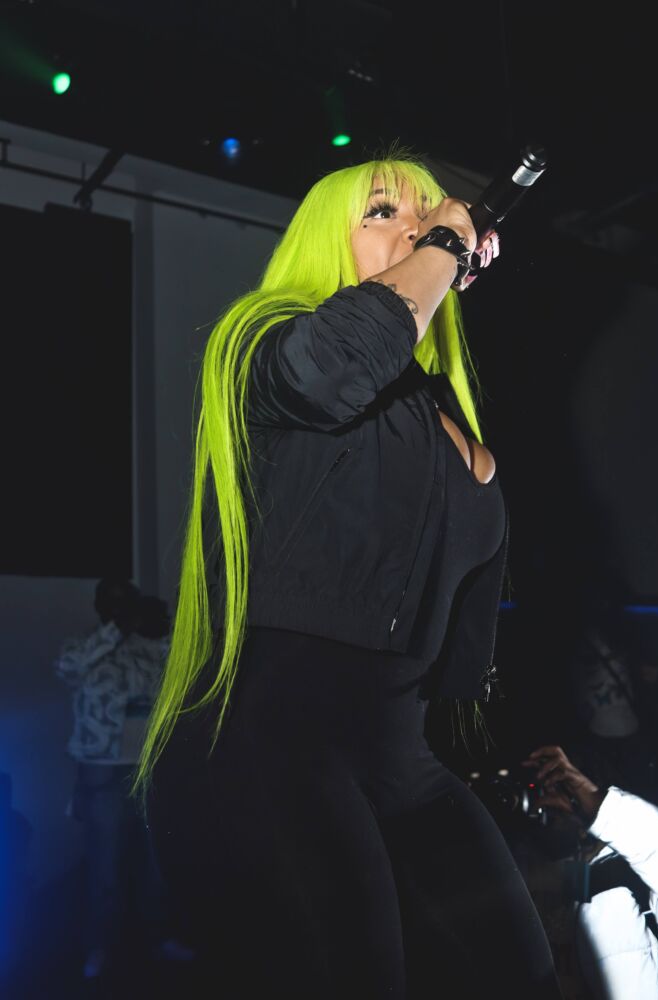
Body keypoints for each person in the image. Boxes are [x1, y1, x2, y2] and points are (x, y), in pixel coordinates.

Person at [135, 154, 563, 998]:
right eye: (381, 213)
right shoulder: (265, 340)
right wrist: (444, 242)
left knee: (520, 977)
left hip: (401, 751)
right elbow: (332, 368)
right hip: (271, 743)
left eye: (425, 214)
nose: (415, 226)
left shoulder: (435, 404)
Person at [54, 580, 188, 979]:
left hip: (148, 770)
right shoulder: (84, 646)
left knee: (155, 865)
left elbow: (175, 667)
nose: (121, 607)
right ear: (100, 607)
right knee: (104, 868)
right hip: (104, 772)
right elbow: (67, 667)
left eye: (127, 600)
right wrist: (118, 628)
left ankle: (160, 938)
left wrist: (161, 627)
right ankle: (99, 948)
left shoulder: (143, 646)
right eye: (113, 602)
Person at [523, 744, 658, 999]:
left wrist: (593, 801)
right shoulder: (580, 873)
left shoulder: (631, 873)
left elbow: (656, 847)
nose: (553, 801)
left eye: (563, 787)